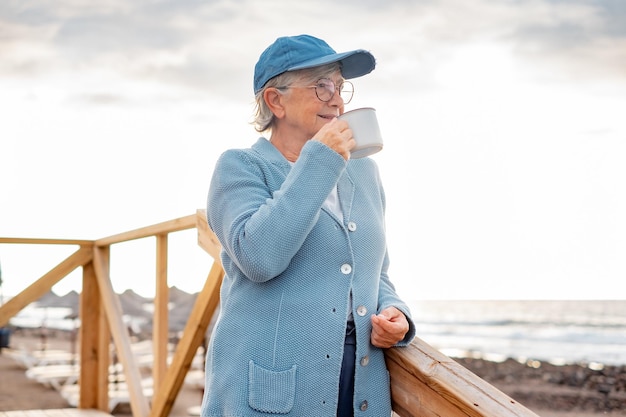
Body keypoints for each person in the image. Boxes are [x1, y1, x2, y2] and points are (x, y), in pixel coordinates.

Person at [201, 34, 416, 417]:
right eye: (321, 86)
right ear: (275, 100)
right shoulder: (240, 167)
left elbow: (374, 271)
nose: (336, 99)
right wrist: (320, 158)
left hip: (359, 381)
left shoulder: (364, 172)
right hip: (271, 386)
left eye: (339, 86)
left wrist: (395, 312)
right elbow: (259, 257)